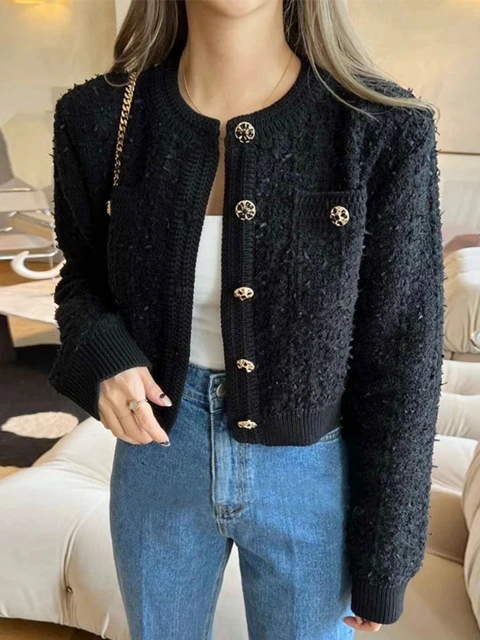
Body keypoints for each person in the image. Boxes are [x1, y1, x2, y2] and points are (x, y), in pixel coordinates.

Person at [48, 0, 444, 637]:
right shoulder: (97, 118)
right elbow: (81, 279)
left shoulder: (381, 128)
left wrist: (385, 558)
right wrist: (104, 355)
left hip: (313, 478)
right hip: (156, 458)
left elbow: (403, 353)